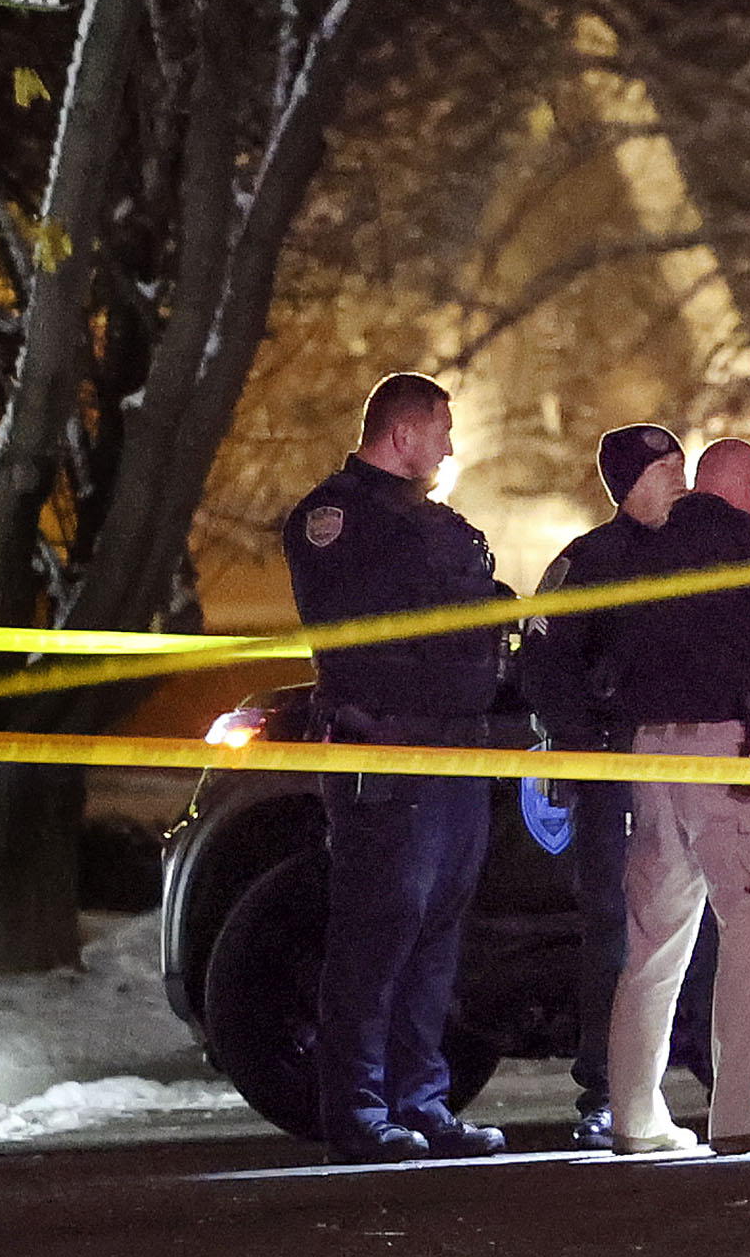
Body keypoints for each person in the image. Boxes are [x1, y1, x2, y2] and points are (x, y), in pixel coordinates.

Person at [280, 372, 511, 1165]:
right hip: (389, 750)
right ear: (404, 434)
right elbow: (366, 629)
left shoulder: (435, 521)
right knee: (379, 930)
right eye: (442, 429)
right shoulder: (336, 518)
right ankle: (357, 1110)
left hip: (456, 748)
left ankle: (422, 1102)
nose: (451, 445)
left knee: (438, 930)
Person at [605, 437, 750, 1157]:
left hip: (647, 754)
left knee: (652, 945)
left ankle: (635, 1118)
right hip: (727, 754)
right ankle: (738, 1111)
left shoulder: (641, 548)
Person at [513, 423, 684, 1151]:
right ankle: (605, 1090)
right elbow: (542, 664)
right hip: (613, 771)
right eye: (665, 468)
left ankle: (670, 1084)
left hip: (684, 764)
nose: (680, 476)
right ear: (628, 482)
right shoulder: (589, 563)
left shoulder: (696, 551)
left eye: (681, 464)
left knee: (679, 931)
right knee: (614, 932)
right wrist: (590, 746)